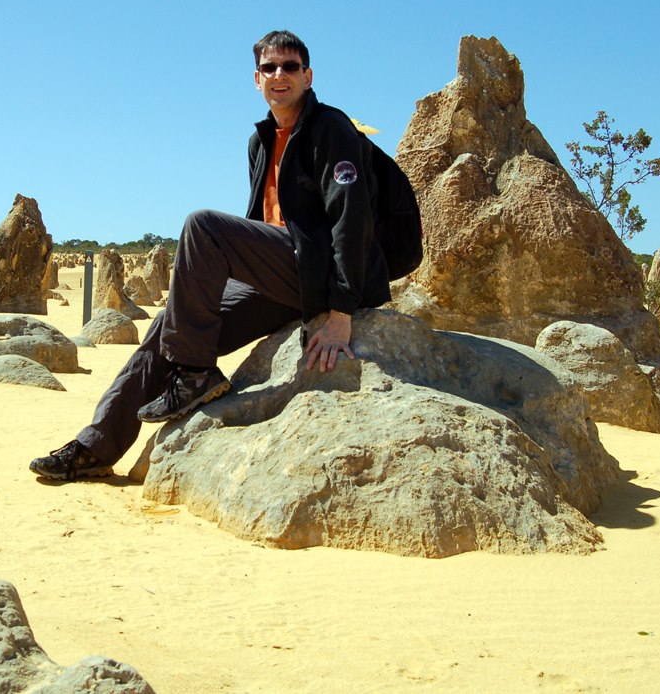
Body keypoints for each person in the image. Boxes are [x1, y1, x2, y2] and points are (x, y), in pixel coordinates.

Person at [29, 29, 392, 481]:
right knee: (169, 326)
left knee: (201, 224)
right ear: (256, 79)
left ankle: (196, 376)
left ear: (308, 75)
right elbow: (260, 221)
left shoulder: (331, 129)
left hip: (316, 272)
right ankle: (95, 445)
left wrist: (341, 312)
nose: (280, 75)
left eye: (290, 67)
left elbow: (350, 220)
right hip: (280, 277)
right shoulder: (260, 141)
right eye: (269, 68)